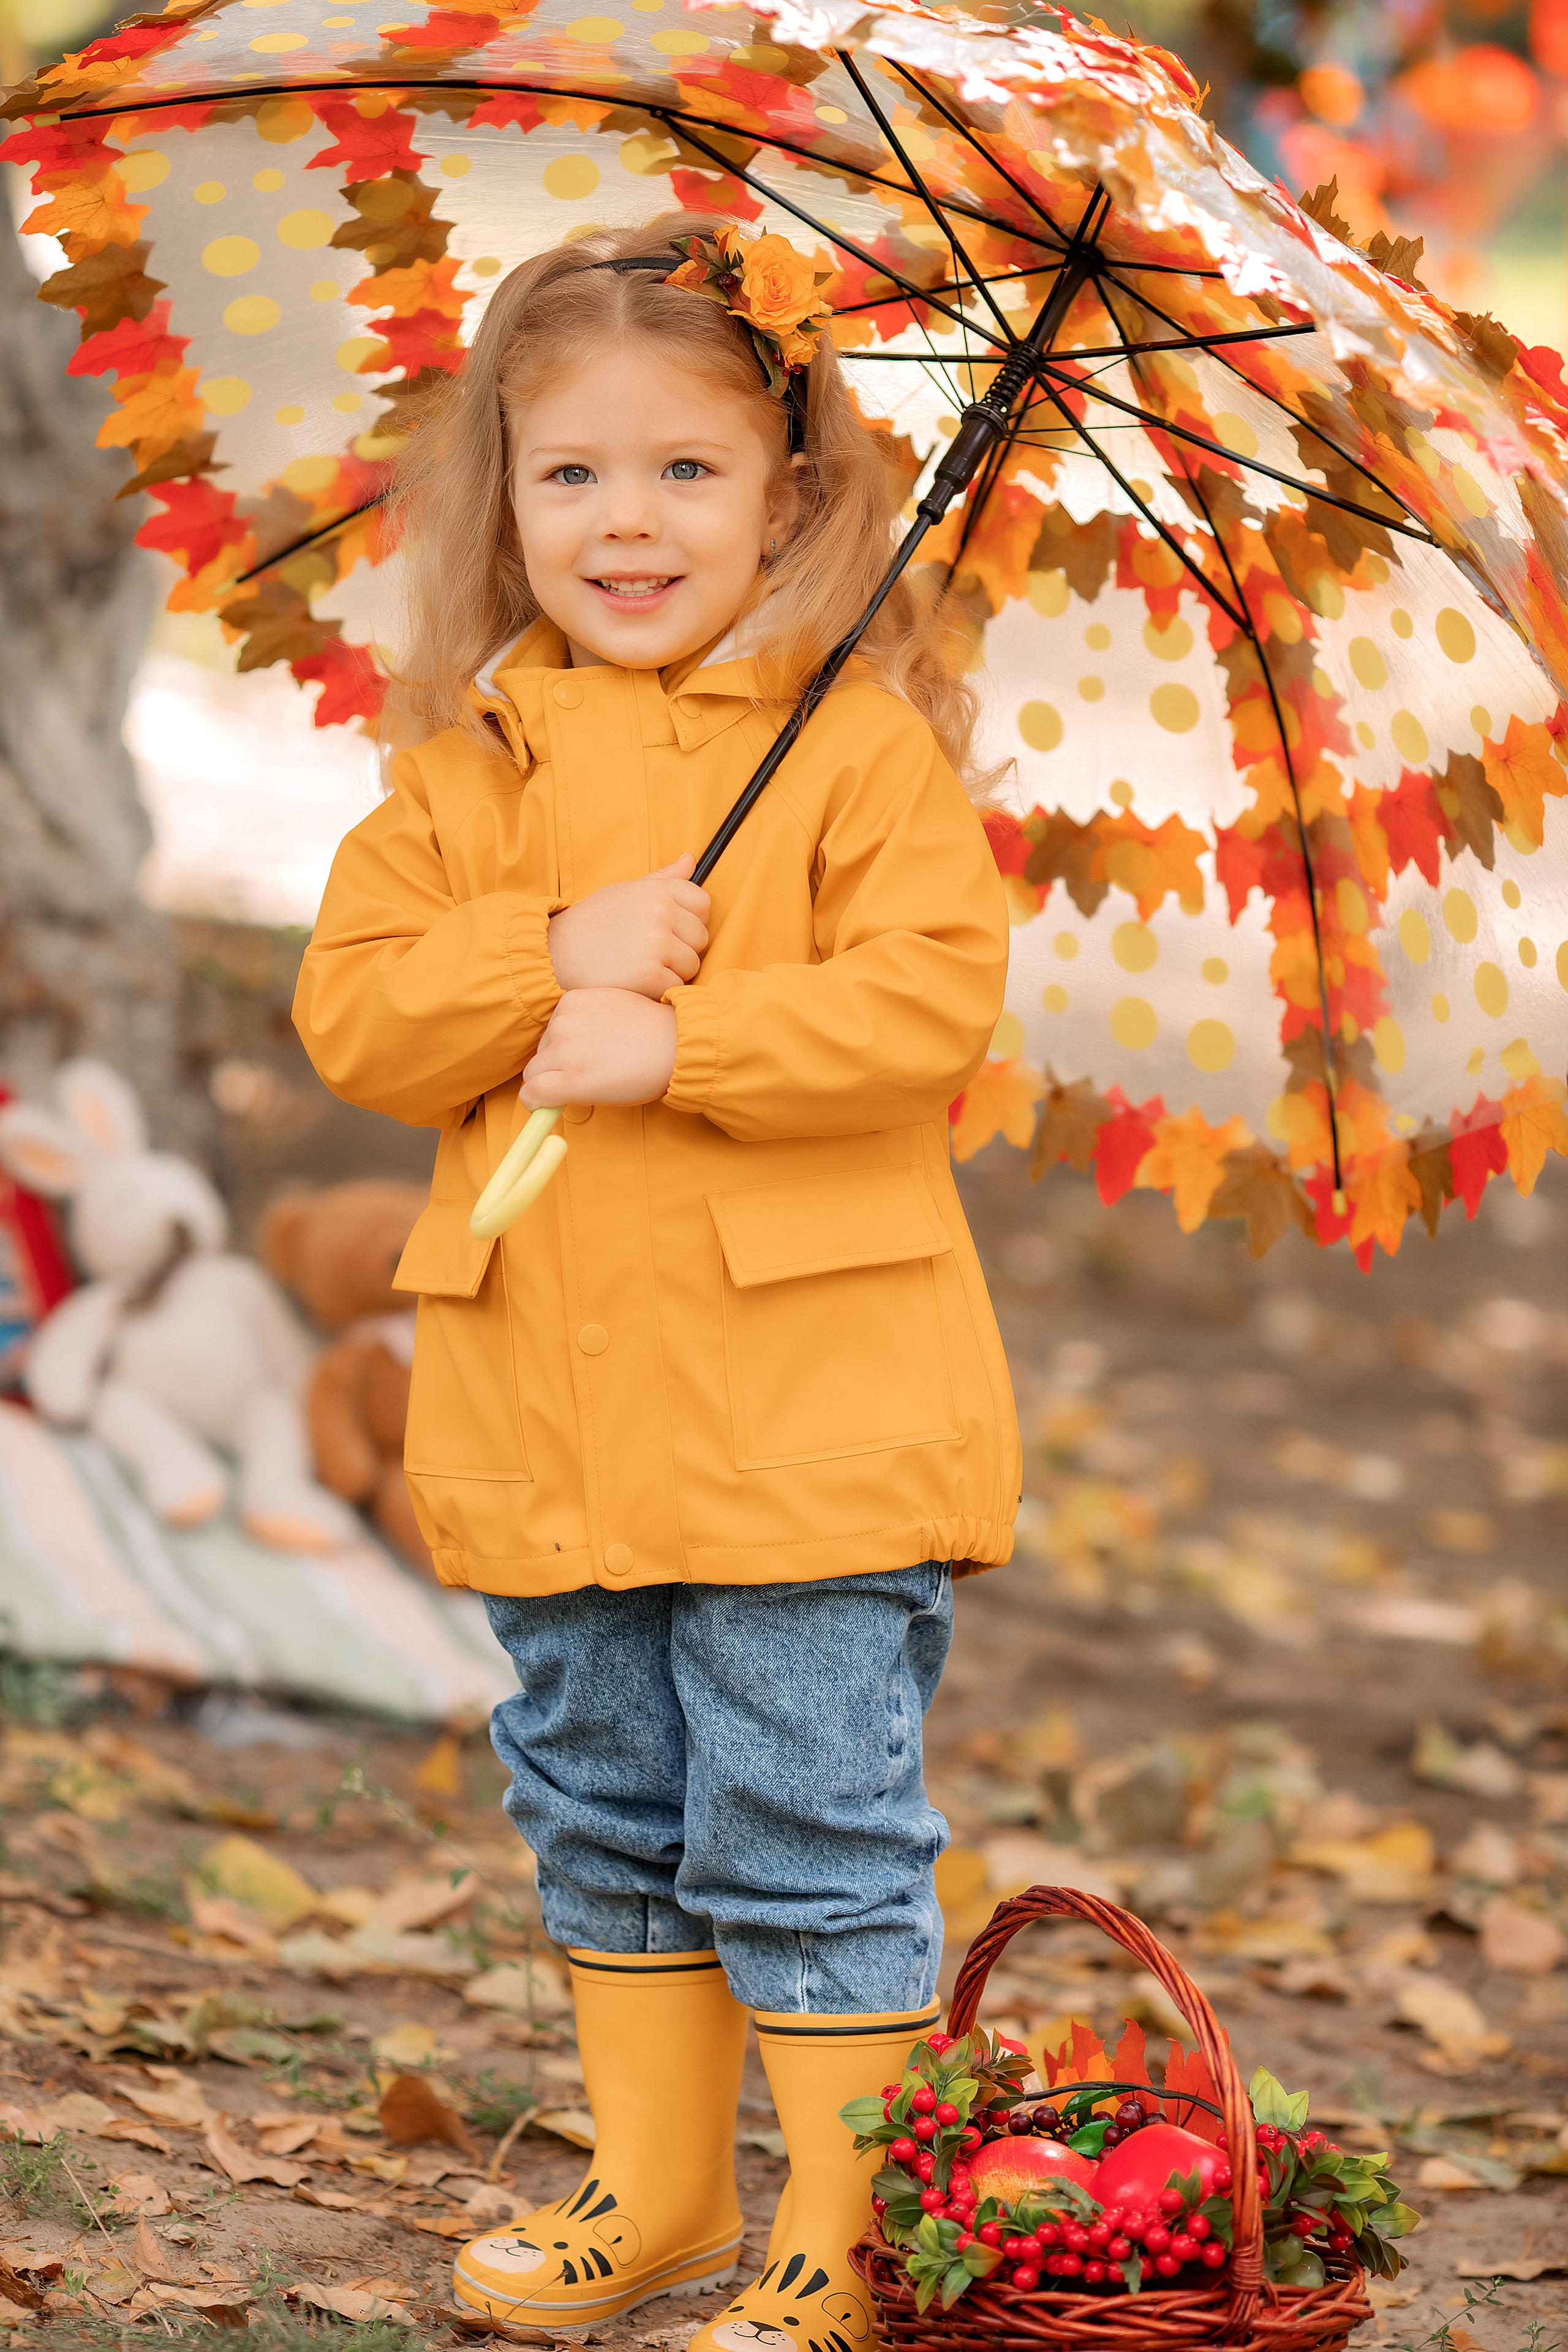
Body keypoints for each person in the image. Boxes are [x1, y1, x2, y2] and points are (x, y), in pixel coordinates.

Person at [293, 213, 1021, 2351]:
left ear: (790, 499)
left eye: (687, 472)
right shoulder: (459, 778)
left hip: (809, 1412)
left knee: (803, 1809)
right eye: (572, 473)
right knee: (601, 1798)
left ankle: (852, 2238)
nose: (626, 521)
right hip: (547, 1407)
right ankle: (667, 2191)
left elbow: (930, 1007)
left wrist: (686, 1043)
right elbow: (355, 1016)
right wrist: (551, 953)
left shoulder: (859, 753)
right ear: (500, 502)